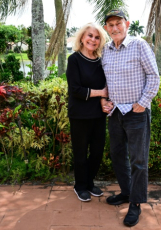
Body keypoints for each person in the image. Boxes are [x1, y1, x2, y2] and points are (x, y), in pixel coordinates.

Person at [101, 9, 160, 227]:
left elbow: (154, 77)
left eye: (118, 23)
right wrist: (104, 100)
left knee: (138, 160)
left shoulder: (139, 45)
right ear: (106, 28)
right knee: (117, 156)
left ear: (127, 24)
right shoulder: (105, 50)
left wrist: (142, 103)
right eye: (110, 25)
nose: (114, 28)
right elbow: (104, 81)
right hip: (115, 112)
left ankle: (135, 203)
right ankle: (126, 192)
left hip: (137, 113)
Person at [66, 23, 110, 202]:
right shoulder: (74, 59)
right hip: (80, 114)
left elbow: (106, 83)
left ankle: (90, 183)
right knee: (80, 152)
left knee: (97, 151)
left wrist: (103, 100)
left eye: (97, 37)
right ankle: (80, 186)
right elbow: (75, 89)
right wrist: (101, 93)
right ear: (82, 38)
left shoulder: (101, 60)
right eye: (90, 36)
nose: (93, 39)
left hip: (99, 114)